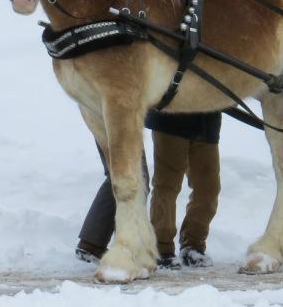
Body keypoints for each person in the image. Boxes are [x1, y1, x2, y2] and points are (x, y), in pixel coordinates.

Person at [75, 110, 223, 269]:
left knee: (207, 189)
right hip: (164, 120)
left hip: (206, 123)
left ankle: (191, 245)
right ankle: (158, 247)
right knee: (151, 183)